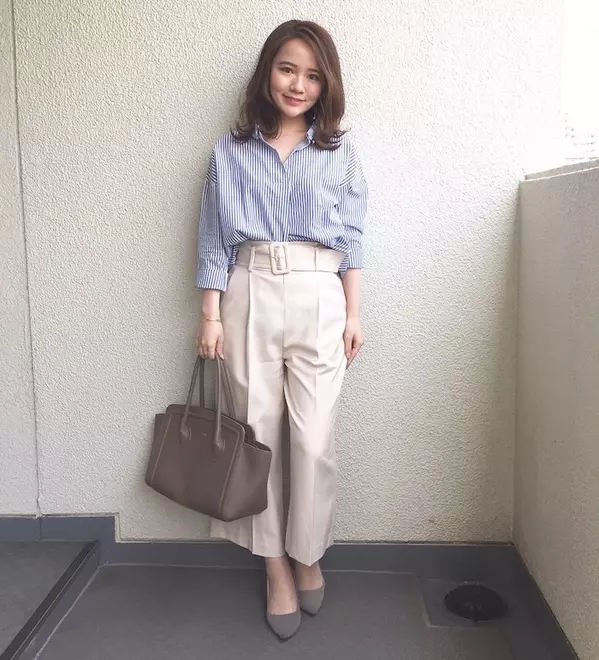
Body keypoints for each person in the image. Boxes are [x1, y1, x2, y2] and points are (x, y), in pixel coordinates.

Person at [195, 19, 367, 640]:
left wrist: (354, 312)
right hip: (250, 290)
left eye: (313, 75)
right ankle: (274, 565)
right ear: (268, 72)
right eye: (288, 69)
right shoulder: (229, 151)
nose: (298, 85)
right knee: (258, 437)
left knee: (313, 441)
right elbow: (212, 237)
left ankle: (308, 552)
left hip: (321, 294)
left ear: (327, 85)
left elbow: (354, 236)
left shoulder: (340, 152)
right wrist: (210, 314)